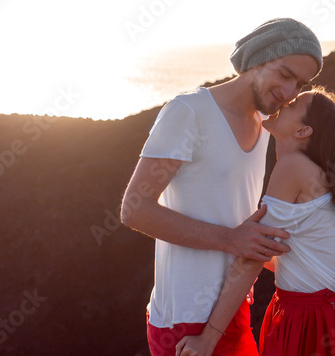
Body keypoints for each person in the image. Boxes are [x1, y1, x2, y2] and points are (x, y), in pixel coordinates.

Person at [121, 18, 324, 356]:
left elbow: (242, 224)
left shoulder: (264, 126)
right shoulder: (188, 112)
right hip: (184, 319)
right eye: (285, 74)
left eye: (300, 84)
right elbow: (135, 209)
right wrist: (231, 240)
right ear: (257, 59)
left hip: (233, 309)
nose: (289, 93)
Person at [174, 87, 335, 356]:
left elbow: (256, 256)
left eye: (294, 104)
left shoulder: (293, 167)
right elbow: (290, 257)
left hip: (312, 319)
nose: (285, 101)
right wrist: (231, 240)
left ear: (303, 131)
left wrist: (208, 338)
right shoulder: (319, 176)